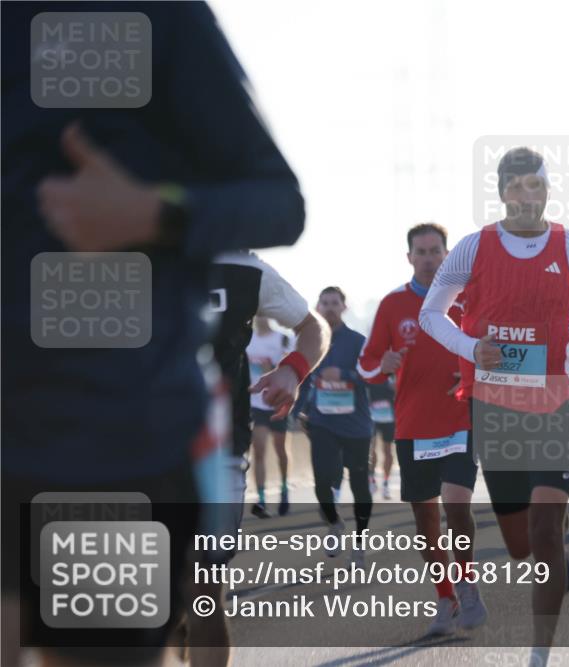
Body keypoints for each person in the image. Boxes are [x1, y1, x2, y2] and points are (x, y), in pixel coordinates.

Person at [1, 3, 305, 664]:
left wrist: (152, 213)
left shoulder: (156, 18)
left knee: (195, 601)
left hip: (104, 439)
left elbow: (278, 202)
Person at [419, 147, 569, 665]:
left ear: (547, 190)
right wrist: (471, 348)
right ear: (501, 193)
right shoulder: (472, 248)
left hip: (559, 400)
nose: (525, 195)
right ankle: (557, 557)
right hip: (495, 405)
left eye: (535, 185)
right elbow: (431, 314)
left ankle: (539, 653)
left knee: (544, 529)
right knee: (520, 545)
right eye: (515, 187)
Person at [191, 251, 328, 667]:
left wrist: (294, 369)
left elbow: (313, 326)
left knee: (202, 585)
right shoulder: (115, 244)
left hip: (217, 450)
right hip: (132, 446)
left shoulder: (244, 268)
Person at [357, 222, 488, 636]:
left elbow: (497, 349)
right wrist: (383, 365)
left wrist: (474, 373)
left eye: (436, 251)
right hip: (413, 425)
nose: (429, 259)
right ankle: (445, 597)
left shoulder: (468, 299)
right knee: (426, 521)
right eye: (422, 252)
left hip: (460, 419)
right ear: (409, 257)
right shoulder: (393, 304)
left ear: (448, 256)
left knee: (457, 504)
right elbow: (366, 364)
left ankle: (467, 583)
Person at [297, 287, 374, 566]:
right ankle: (334, 522)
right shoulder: (309, 342)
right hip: (322, 422)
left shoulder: (358, 341)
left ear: (344, 307)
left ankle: (360, 544)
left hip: (356, 425)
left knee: (359, 485)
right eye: (325, 303)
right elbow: (302, 379)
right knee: (321, 482)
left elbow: (372, 375)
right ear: (317, 307)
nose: (329, 307)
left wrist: (344, 374)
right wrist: (299, 410)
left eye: (334, 303)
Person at [246, 316, 294, 517]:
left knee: (280, 450)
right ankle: (261, 499)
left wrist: (272, 368)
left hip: (277, 402)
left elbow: (291, 370)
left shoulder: (283, 339)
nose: (260, 317)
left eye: (263, 313)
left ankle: (284, 489)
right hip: (256, 404)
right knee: (259, 451)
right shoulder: (248, 339)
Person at [367, 380, 397, 500]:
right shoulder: (369, 371)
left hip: (388, 415)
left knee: (388, 450)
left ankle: (386, 483)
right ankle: (371, 479)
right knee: (371, 449)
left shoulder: (392, 372)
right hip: (371, 414)